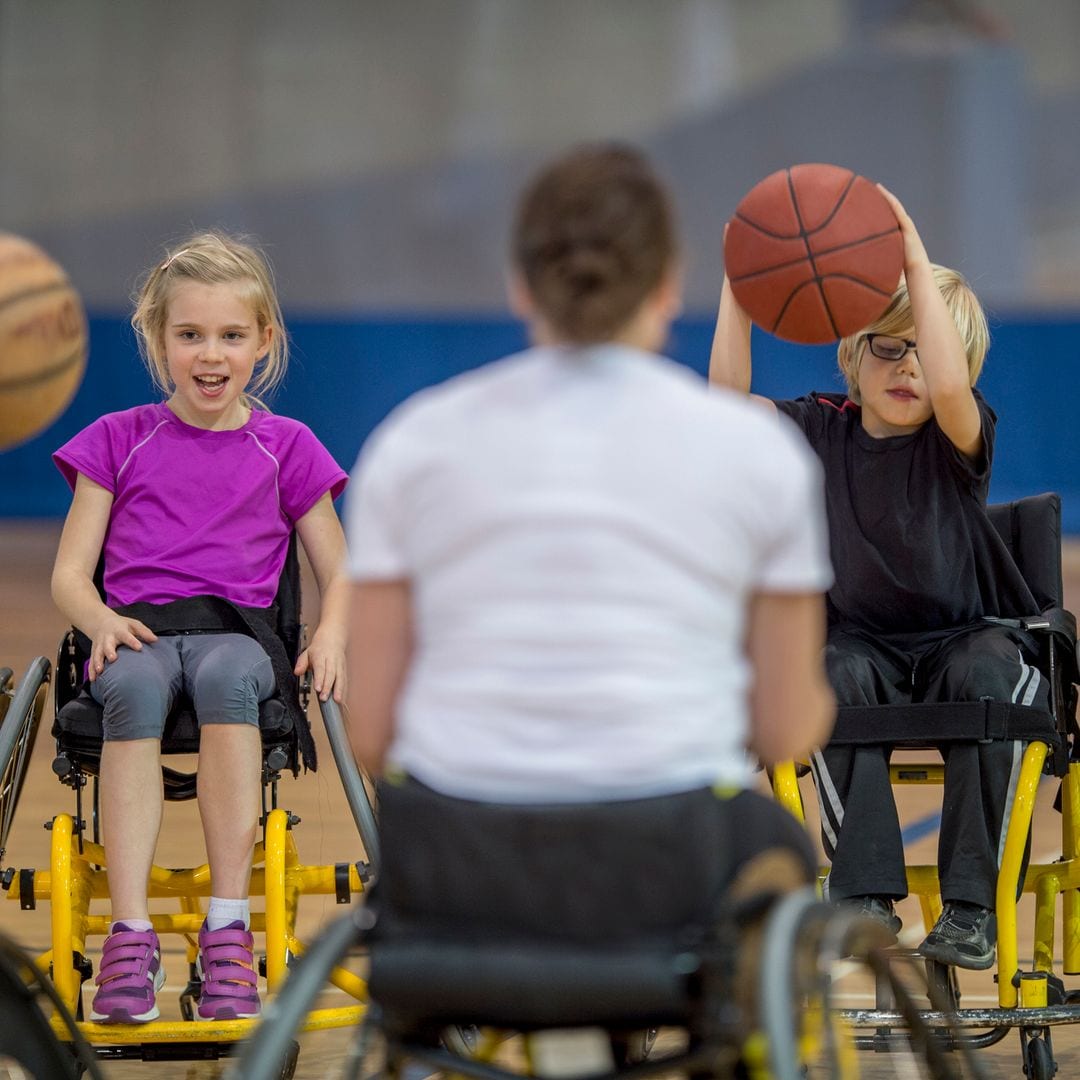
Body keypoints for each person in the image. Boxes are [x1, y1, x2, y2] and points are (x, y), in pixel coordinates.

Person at [344, 144, 835, 931]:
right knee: (780, 852)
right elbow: (782, 728)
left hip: (461, 857)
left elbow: (369, 729)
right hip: (672, 853)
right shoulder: (756, 453)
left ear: (520, 283)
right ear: (669, 285)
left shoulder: (413, 444)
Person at [709, 186, 1047, 970]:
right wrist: (742, 285)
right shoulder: (818, 427)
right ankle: (861, 897)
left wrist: (916, 263)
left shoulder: (957, 436)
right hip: (862, 648)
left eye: (924, 353)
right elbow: (722, 408)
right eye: (886, 348)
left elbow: (952, 385)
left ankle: (971, 909)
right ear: (852, 357)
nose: (908, 369)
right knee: (824, 673)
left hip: (966, 640)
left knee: (996, 675)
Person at [51, 232, 349, 1024]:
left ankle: (225, 927)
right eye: (189, 335)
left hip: (237, 640)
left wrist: (332, 636)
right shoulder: (117, 439)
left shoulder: (287, 447)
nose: (209, 354)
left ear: (263, 342)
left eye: (230, 335)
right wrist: (100, 621)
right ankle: (129, 933)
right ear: (158, 341)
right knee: (135, 687)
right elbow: (68, 577)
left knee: (226, 677)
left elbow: (340, 571)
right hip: (138, 634)